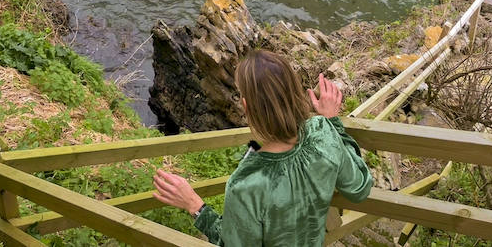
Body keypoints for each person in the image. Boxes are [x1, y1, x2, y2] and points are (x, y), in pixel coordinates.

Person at [153, 49, 373, 247]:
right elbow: (359, 188)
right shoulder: (322, 132)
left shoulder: (246, 184)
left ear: (247, 107)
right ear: (294, 90)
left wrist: (195, 205)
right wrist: (332, 122)